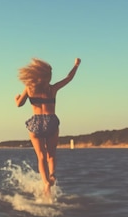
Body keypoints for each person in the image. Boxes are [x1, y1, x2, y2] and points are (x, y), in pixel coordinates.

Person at [15, 57, 81, 195]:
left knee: (41, 156)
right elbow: (68, 78)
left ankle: (45, 183)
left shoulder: (29, 89)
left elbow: (19, 104)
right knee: (51, 155)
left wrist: (16, 98)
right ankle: (52, 175)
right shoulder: (52, 89)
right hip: (51, 122)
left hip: (36, 123)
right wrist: (76, 65)